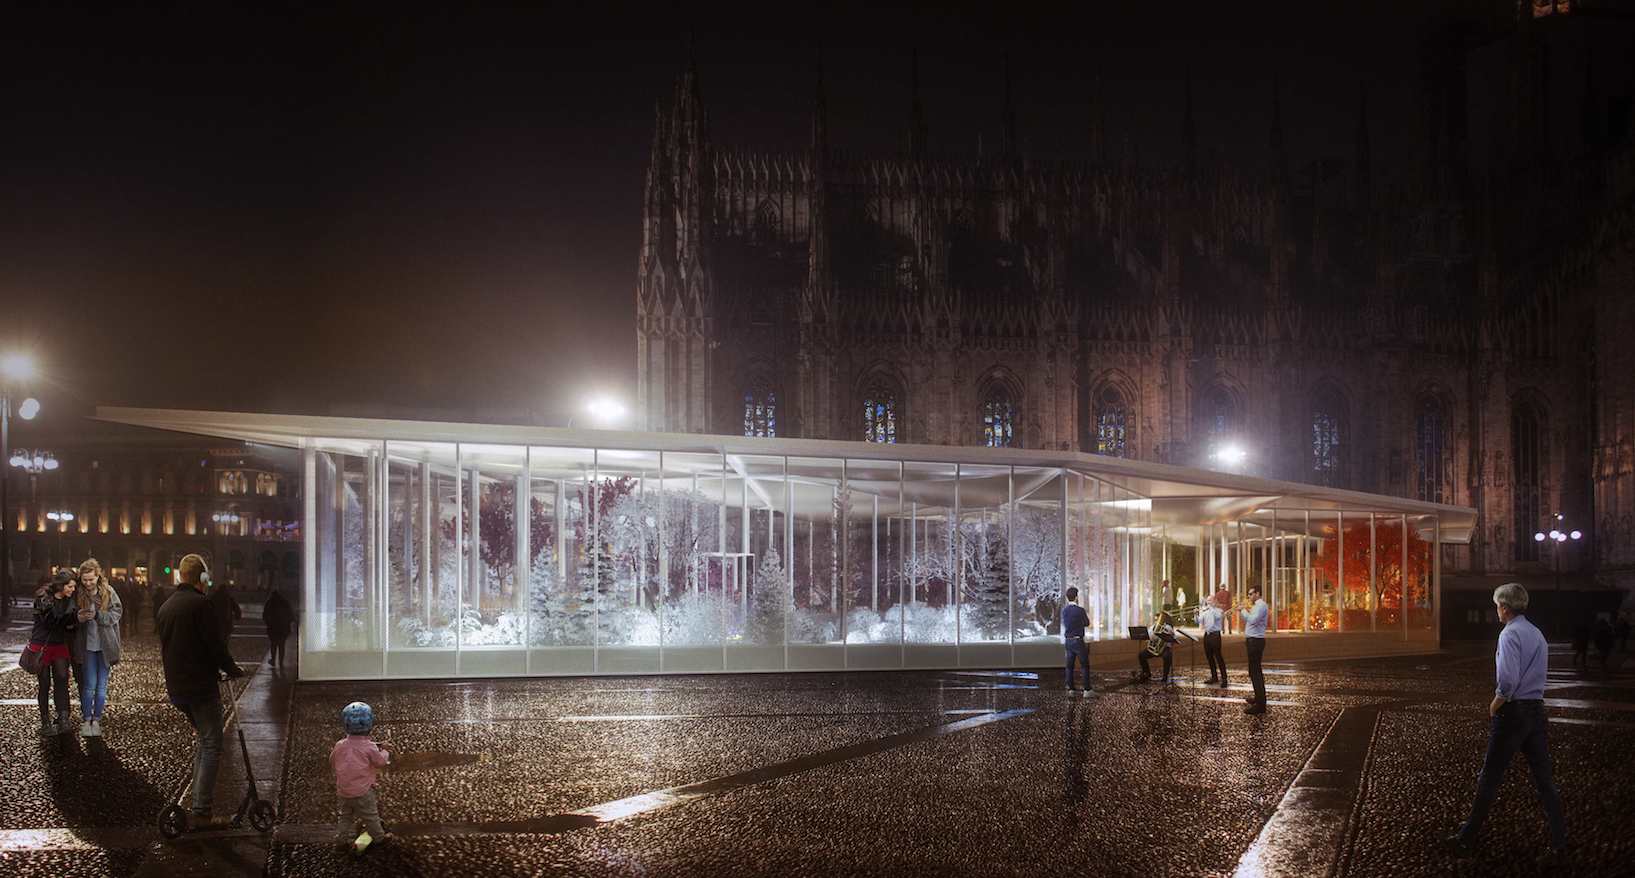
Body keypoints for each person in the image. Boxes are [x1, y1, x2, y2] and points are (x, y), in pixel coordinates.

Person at [1446, 582, 1567, 865]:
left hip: (1514, 712)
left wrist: (1497, 701)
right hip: (1536, 709)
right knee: (1544, 779)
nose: (1497, 611)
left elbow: (1509, 679)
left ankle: (1466, 838)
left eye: (1497, 606)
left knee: (1489, 777)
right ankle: (1560, 838)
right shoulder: (1536, 633)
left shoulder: (1509, 634)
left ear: (1505, 607)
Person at [157, 554, 245, 827]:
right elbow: (214, 646)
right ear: (202, 578)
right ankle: (201, 809)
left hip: (178, 689)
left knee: (204, 741)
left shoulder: (166, 606)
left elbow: (177, 648)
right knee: (211, 744)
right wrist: (232, 669)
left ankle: (197, 802)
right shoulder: (201, 605)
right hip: (200, 688)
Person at [70, 558, 123, 738]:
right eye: (84, 580)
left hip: (105, 646)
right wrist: (79, 617)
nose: (88, 583)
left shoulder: (108, 592)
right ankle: (86, 720)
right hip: (87, 646)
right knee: (89, 685)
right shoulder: (78, 594)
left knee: (101, 686)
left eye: (91, 579)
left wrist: (99, 616)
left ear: (97, 576)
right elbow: (71, 617)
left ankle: (97, 721)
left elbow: (117, 612)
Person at [332, 701, 393, 850]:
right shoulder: (370, 747)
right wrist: (385, 751)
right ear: (370, 724)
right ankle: (379, 838)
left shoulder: (340, 745)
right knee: (371, 815)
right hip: (363, 792)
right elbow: (380, 762)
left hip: (343, 790)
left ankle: (340, 841)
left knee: (345, 816)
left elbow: (332, 760)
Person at [28, 570, 79, 736]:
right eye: (70, 586)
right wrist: (70, 619)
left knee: (62, 679)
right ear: (61, 585)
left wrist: (77, 620)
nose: (73, 589)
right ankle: (45, 721)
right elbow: (51, 621)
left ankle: (63, 717)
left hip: (59, 645)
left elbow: (70, 625)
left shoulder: (70, 600)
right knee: (44, 683)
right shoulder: (43, 598)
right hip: (41, 644)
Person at [1240, 586, 1269, 715]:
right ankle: (1258, 698)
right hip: (1253, 640)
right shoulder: (1256, 606)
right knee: (1253, 671)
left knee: (1256, 672)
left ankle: (1260, 705)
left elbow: (1252, 620)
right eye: (1249, 594)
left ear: (1258, 593)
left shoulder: (1261, 606)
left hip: (1256, 641)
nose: (1249, 596)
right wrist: (1245, 610)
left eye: (1251, 594)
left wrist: (1243, 611)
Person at [1060, 587, 1092, 694]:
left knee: (1069, 666)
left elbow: (1066, 624)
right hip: (1078, 641)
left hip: (1068, 641)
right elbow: (1087, 623)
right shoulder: (1080, 610)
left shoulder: (1064, 611)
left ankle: (1071, 689)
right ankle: (1087, 690)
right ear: (1077, 597)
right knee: (1084, 665)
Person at [1198, 590, 1228, 688]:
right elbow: (1199, 621)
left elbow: (1217, 617)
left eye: (1210, 600)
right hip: (1207, 635)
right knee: (1209, 657)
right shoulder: (1205, 610)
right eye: (1207, 601)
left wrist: (1211, 608)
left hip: (1215, 635)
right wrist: (1196, 614)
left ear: (1215, 601)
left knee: (1218, 657)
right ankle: (1214, 677)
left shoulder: (1218, 611)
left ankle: (1224, 679)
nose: (1208, 602)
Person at [1137, 610, 1176, 683]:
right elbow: (1149, 636)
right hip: (1154, 648)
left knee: (1167, 656)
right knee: (1141, 655)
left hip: (1164, 648)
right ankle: (1147, 672)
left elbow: (1172, 638)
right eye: (1156, 619)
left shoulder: (1168, 627)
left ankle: (1165, 676)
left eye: (1158, 618)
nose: (1156, 620)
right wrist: (1144, 636)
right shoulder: (1153, 627)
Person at [263, 588, 294, 668]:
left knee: (273, 644)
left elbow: (265, 615)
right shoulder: (285, 602)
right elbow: (290, 614)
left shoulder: (270, 602)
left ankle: (273, 660)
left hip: (273, 628)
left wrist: (268, 623)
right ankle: (281, 662)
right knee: (282, 645)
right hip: (283, 628)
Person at [209, 577, 242, 645]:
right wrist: (238, 616)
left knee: (217, 638)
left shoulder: (213, 597)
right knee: (225, 638)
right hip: (227, 621)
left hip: (216, 621)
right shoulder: (229, 598)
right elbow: (236, 609)